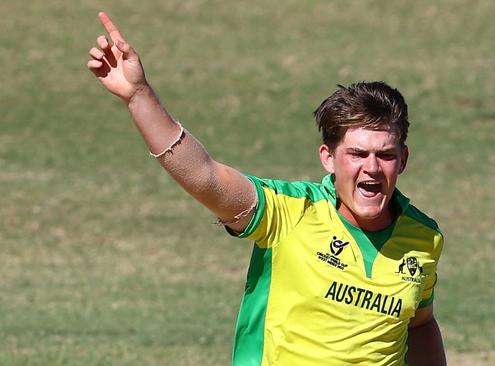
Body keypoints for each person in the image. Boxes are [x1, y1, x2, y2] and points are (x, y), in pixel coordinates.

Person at [87, 11, 446, 366]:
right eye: (357, 153)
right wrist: (138, 95)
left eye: (385, 155)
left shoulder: (424, 238)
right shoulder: (289, 212)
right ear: (328, 158)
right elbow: (205, 176)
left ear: (403, 160)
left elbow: (420, 323)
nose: (371, 167)